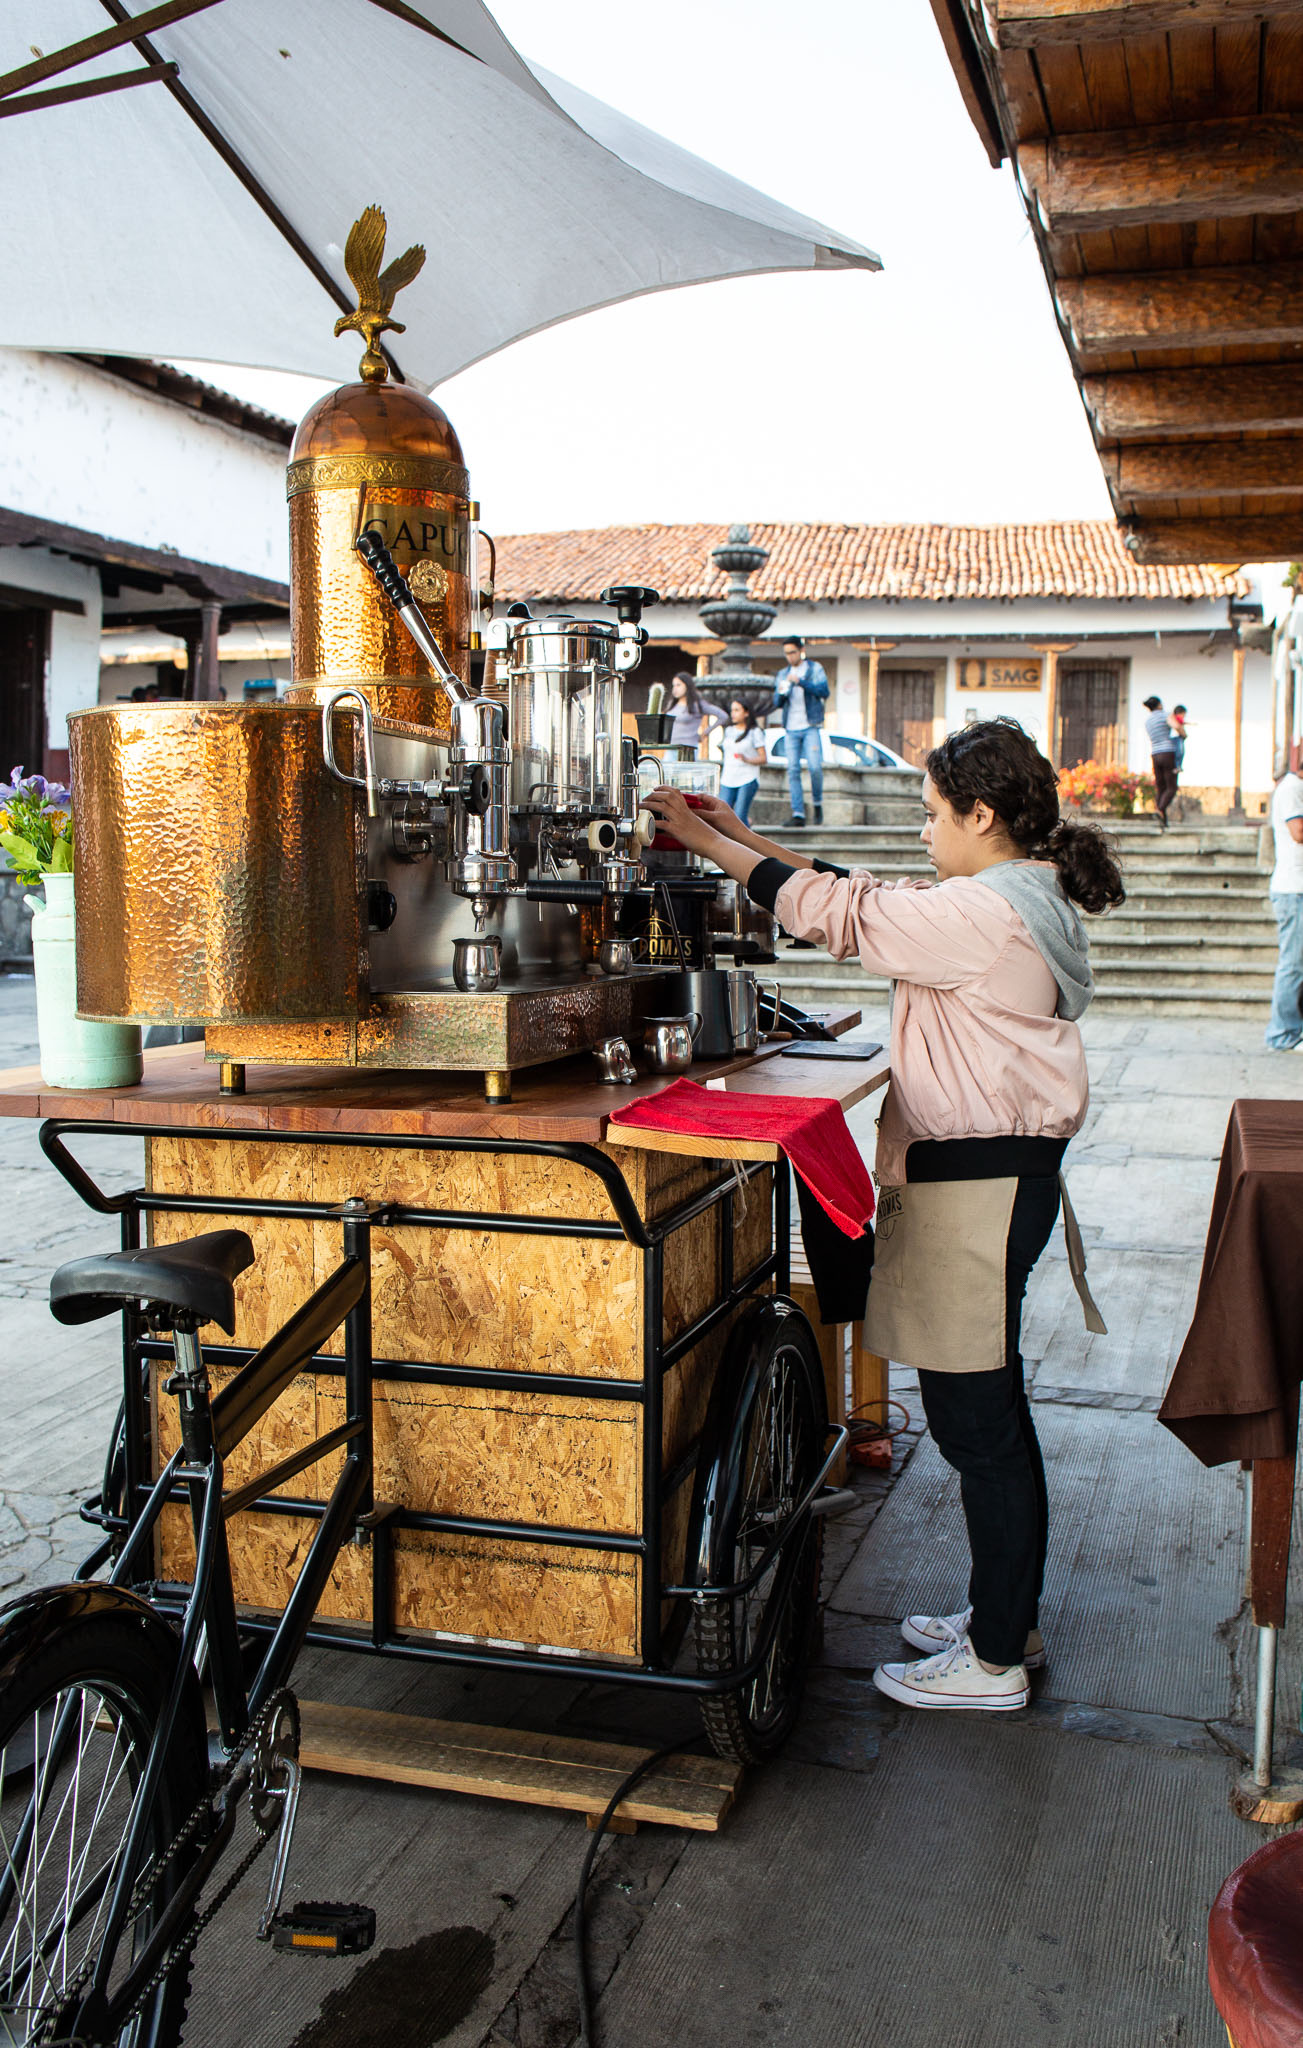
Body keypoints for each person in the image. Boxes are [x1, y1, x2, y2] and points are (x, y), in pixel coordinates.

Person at [647, 717, 1123, 1713]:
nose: (922, 830)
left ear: (981, 816)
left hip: (977, 1189)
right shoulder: (1010, 895)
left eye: (933, 813)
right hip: (990, 1180)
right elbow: (866, 894)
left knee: (977, 1423)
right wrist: (740, 833)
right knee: (988, 1413)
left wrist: (709, 847)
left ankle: (993, 1661)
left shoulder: (985, 914)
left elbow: (846, 916)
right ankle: (1005, 1618)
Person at [772, 636, 830, 827]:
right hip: (791, 728)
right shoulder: (783, 673)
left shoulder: (814, 669)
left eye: (793, 652)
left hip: (810, 725)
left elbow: (824, 691)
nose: (790, 657)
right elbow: (777, 702)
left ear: (801, 651)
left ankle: (817, 803)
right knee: (793, 770)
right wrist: (784, 690)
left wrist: (801, 682)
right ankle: (798, 813)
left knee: (815, 767)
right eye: (786, 654)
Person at [1266, 759, 1303, 1051]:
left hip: (1296, 889)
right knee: (1293, 965)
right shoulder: (1291, 788)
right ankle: (1282, 1034)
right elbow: (1298, 832)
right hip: (1293, 890)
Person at [718, 699, 766, 823]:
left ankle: (747, 834)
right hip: (728, 778)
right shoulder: (729, 731)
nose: (733, 714)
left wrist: (747, 759)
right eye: (732, 710)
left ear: (746, 713)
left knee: (740, 816)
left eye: (737, 710)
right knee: (721, 815)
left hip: (747, 778)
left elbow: (763, 758)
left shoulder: (755, 732)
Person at [668, 672, 727, 752]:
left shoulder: (697, 705)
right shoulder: (672, 704)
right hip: (670, 747)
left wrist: (705, 733)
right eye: (674, 685)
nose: (675, 688)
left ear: (687, 685)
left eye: (678, 685)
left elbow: (723, 716)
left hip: (688, 748)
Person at [1142, 695, 1178, 829]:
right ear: (1159, 705)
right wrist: (1182, 733)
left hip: (1155, 754)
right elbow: (1176, 726)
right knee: (1171, 787)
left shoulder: (1148, 721)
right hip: (1167, 752)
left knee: (1161, 787)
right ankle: (1160, 809)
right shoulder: (1165, 715)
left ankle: (1163, 821)